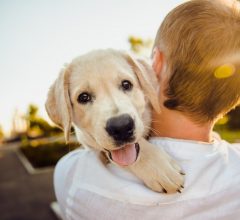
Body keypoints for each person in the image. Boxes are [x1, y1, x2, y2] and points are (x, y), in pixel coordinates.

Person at [54, 0, 240, 219]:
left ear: (156, 64)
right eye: (84, 97)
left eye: (125, 85)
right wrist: (142, 156)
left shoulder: (74, 177)